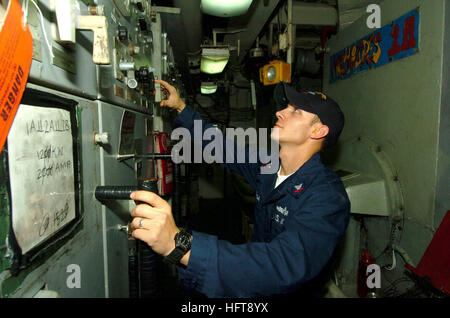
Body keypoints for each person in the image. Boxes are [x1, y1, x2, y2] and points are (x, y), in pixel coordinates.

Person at [128, 79, 350, 298]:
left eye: (297, 111)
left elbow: (284, 264)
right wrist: (181, 108)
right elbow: (222, 146)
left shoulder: (327, 196)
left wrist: (183, 247)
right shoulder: (270, 166)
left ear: (318, 131)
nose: (281, 113)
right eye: (286, 107)